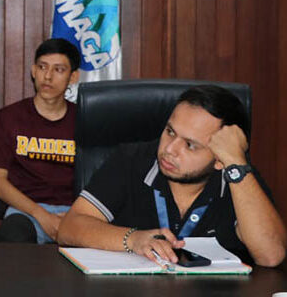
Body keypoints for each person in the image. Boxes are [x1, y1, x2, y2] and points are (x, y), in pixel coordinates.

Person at [58, 85, 286, 267]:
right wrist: (132, 239)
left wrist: (236, 164)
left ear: (220, 159)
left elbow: (271, 256)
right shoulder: (131, 161)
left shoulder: (239, 179)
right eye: (170, 132)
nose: (169, 149)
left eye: (190, 145)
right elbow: (69, 228)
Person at [0, 38, 80, 244]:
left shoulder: (86, 119)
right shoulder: (7, 118)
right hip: (26, 211)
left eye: (59, 70)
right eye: (42, 67)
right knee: (12, 237)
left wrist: (76, 215)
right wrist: (41, 215)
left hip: (76, 213)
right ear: (33, 70)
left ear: (73, 76)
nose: (48, 76)